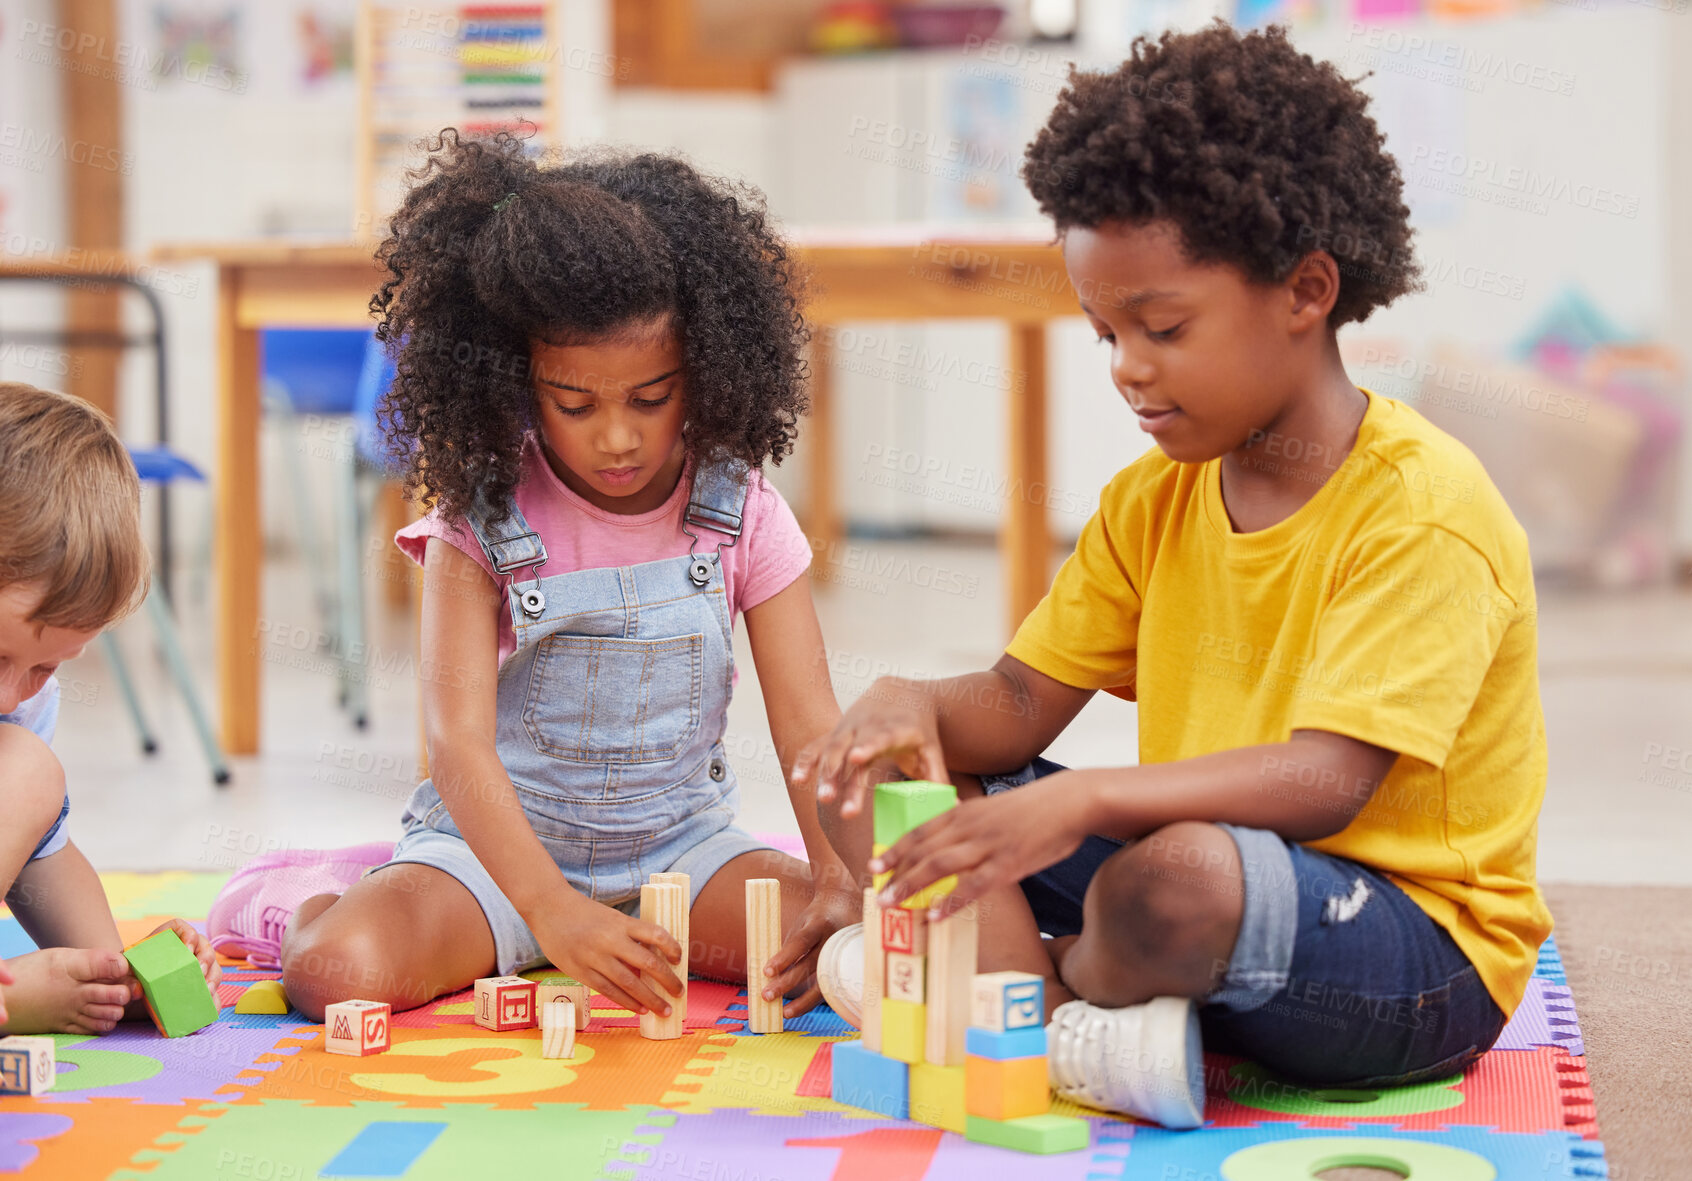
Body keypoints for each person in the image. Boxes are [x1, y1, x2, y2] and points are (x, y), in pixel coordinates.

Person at [797, 22, 1549, 1128]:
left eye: (1161, 326)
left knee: (1178, 880)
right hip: (1209, 888)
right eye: (1105, 334)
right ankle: (1047, 1014)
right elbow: (1014, 705)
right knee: (880, 772)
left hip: (1412, 953)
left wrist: (1088, 794)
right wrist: (911, 705)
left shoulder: (1425, 507)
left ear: (1305, 290)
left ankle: (1018, 986)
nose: (1128, 370)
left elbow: (1324, 781)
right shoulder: (1154, 498)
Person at [217, 131, 858, 1023]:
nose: (618, 436)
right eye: (575, 404)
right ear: (516, 381)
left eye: (651, 396)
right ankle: (315, 896)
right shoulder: (478, 518)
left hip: (682, 851)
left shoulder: (740, 505)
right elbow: (458, 747)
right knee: (338, 973)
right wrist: (554, 912)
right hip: (494, 861)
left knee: (850, 947)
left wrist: (833, 875)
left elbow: (810, 727)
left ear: (707, 368)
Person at [0, 382, 220, 1034]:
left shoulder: (20, 720)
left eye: (46, 667)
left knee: (28, 768)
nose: (11, 694)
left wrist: (121, 973)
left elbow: (38, 857)